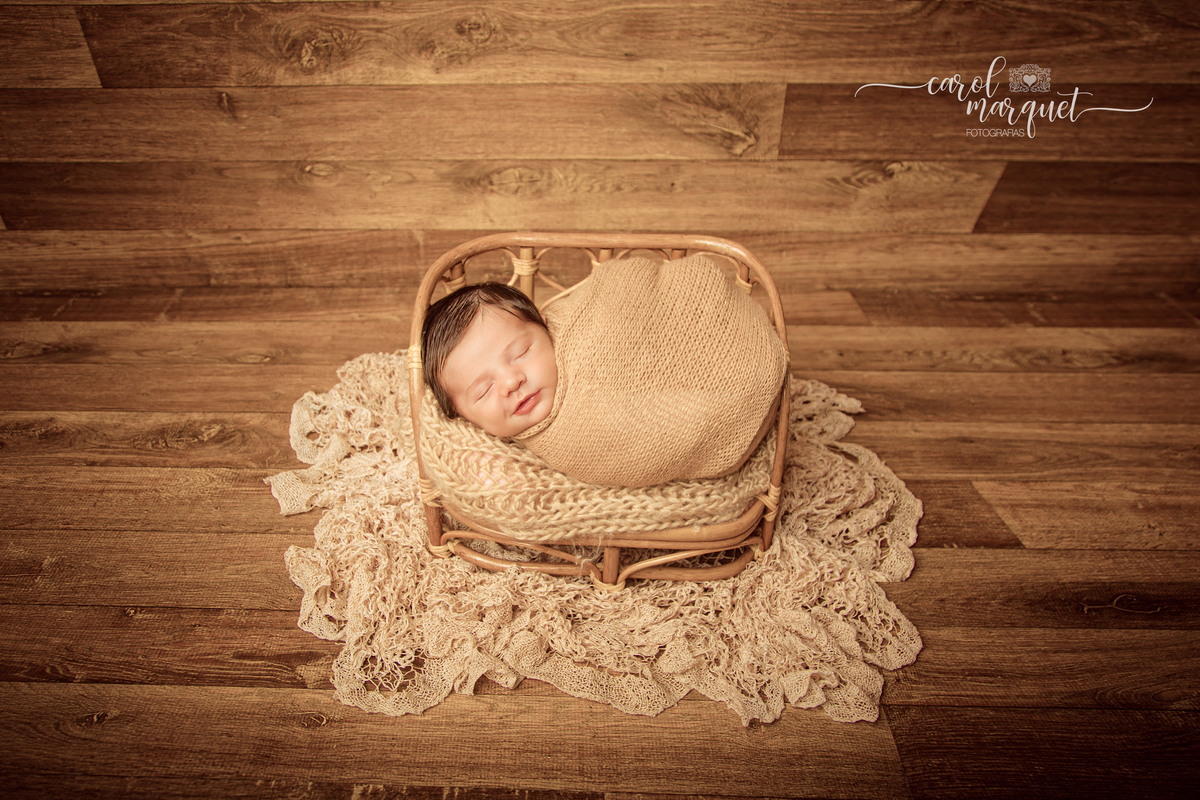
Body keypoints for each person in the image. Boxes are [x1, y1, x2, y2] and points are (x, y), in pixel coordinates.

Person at [420, 255, 787, 488]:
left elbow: (627, 292)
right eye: (483, 391)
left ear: (546, 327)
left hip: (716, 335)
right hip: (716, 405)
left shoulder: (585, 331)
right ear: (463, 417)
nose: (512, 381)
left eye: (521, 353)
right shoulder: (552, 447)